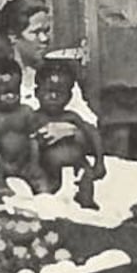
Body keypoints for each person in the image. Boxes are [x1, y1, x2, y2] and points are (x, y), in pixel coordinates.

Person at [0, 0, 137, 225]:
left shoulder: (55, 75)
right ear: (13, 36)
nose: (45, 39)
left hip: (66, 166)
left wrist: (68, 128)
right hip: (15, 170)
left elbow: (88, 123)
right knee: (25, 200)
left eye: (47, 31)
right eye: (36, 33)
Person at [31, 59, 106, 208]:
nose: (54, 97)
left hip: (78, 164)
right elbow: (27, 142)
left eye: (60, 93)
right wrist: (34, 165)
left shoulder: (71, 116)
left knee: (86, 175)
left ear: (69, 96)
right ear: (37, 93)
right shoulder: (34, 118)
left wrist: (99, 161)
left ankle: (86, 202)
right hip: (47, 168)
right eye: (48, 91)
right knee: (44, 192)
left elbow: (92, 133)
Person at [0, 57, 44, 191]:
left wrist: (34, 163)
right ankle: (4, 195)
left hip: (25, 163)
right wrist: (2, 165)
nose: (11, 96)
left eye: (15, 91)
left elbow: (34, 140)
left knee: (41, 180)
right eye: (5, 92)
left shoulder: (26, 112)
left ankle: (44, 202)